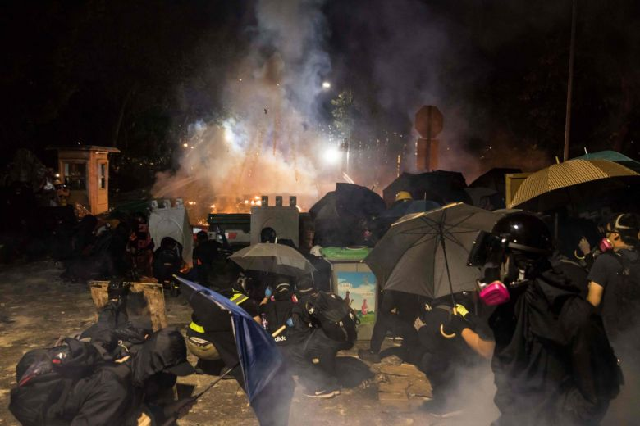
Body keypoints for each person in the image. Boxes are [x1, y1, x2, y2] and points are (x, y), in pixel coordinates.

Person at [469, 212, 620, 425]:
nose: (491, 270)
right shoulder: (511, 309)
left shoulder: (573, 314)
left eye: (499, 260)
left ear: (516, 263)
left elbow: (596, 395)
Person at [9, 327, 194, 426]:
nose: (169, 381)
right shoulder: (116, 388)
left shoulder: (132, 367)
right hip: (44, 415)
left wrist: (170, 410)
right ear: (155, 367)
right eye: (168, 372)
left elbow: (130, 410)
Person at [180, 276, 294, 425]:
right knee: (241, 335)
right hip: (212, 348)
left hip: (192, 343)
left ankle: (207, 364)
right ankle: (229, 364)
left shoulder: (206, 297)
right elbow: (256, 326)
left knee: (222, 330)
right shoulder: (242, 301)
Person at [586, 213, 640, 425]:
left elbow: (593, 301)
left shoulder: (604, 262)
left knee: (616, 393)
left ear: (616, 236)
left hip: (612, 339)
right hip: (635, 337)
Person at [414, 294, 494, 417]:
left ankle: (444, 403)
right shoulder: (463, 309)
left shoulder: (436, 314)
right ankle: (458, 400)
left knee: (428, 358)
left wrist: (421, 329)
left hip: (454, 363)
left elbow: (434, 345)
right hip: (468, 363)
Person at [359, 289, 422, 364]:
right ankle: (377, 354)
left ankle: (374, 351)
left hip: (414, 329)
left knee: (383, 319)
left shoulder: (402, 287)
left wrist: (388, 292)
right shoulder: (422, 289)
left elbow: (385, 307)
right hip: (418, 330)